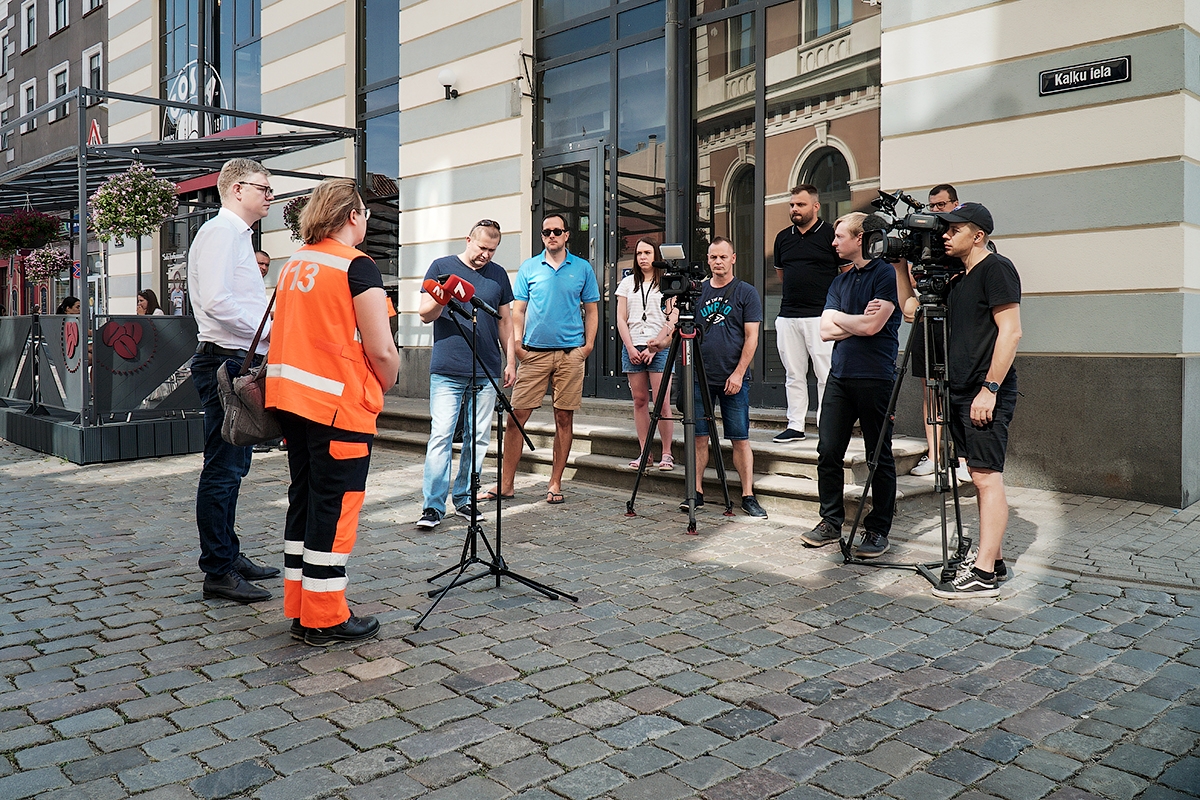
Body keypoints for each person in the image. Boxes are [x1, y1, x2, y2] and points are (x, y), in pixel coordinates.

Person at [265, 178, 399, 644]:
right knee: (335, 508)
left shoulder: (295, 262)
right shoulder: (356, 267)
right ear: (351, 216)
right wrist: (390, 378)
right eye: (364, 212)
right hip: (337, 405)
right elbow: (380, 349)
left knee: (303, 502)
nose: (368, 219)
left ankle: (301, 607)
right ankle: (324, 617)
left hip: (292, 402)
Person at [188, 158, 281, 604]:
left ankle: (229, 555)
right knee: (223, 469)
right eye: (265, 188)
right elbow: (219, 303)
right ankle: (218, 570)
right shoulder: (222, 232)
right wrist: (270, 331)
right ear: (238, 188)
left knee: (233, 467)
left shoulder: (234, 235)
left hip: (233, 358)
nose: (270, 195)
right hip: (224, 360)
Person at [928, 202, 1022, 598]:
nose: (946, 235)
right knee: (979, 476)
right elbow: (912, 309)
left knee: (987, 477)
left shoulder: (996, 269)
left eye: (954, 229)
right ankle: (993, 560)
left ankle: (983, 574)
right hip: (962, 390)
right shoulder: (959, 278)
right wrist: (898, 269)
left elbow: (1012, 332)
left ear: (978, 235)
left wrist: (991, 388)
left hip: (985, 391)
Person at [803, 212, 901, 557]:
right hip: (840, 377)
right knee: (828, 451)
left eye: (839, 236)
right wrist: (854, 320)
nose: (833, 242)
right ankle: (831, 521)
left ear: (860, 238)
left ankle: (877, 529)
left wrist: (844, 320)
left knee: (878, 456)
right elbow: (825, 330)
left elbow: (874, 327)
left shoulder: (885, 273)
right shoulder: (840, 282)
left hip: (875, 376)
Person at [415, 220, 516, 529]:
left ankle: (464, 499)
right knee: (442, 435)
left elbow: (505, 322)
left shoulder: (497, 274)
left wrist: (510, 361)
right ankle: (433, 506)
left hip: (486, 369)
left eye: (492, 250)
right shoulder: (442, 266)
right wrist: (442, 296)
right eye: (482, 247)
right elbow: (424, 314)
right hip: (447, 368)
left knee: (478, 438)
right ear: (468, 239)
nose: (486, 255)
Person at [495, 213, 599, 505]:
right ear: (542, 236)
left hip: (570, 355)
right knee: (516, 419)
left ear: (567, 235)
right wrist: (516, 345)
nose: (551, 236)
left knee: (563, 418)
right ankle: (506, 485)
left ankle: (555, 482)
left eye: (557, 231)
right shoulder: (530, 267)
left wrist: (588, 347)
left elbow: (592, 310)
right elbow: (518, 310)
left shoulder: (582, 268)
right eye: (546, 232)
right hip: (534, 354)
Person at [683, 236, 767, 519]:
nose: (717, 262)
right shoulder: (697, 293)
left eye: (723, 257)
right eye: (713, 257)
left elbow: (751, 337)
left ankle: (747, 495)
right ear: (708, 260)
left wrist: (739, 374)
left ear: (733, 258)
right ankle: (696, 493)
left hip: (734, 377)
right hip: (699, 377)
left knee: (740, 438)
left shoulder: (746, 292)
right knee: (698, 438)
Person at [906, 184, 970, 484]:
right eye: (931, 206)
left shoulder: (963, 239)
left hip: (956, 321)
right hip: (927, 319)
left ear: (955, 205)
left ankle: (963, 459)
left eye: (941, 205)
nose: (935, 211)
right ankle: (933, 456)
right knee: (930, 389)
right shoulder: (922, 241)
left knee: (956, 390)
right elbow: (911, 283)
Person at [772, 185, 841, 443]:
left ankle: (827, 426)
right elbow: (782, 274)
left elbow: (844, 272)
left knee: (825, 373)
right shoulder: (783, 238)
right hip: (788, 315)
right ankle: (795, 425)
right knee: (793, 373)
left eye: (800, 205)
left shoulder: (831, 235)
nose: (794, 209)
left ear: (815, 206)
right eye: (792, 205)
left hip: (821, 315)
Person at [616, 238, 675, 471]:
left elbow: (672, 319)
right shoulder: (627, 283)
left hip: (658, 348)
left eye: (647, 252)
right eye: (639, 253)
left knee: (662, 403)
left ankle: (667, 454)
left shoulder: (667, 283)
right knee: (639, 401)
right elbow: (621, 318)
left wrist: (656, 346)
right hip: (633, 347)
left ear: (656, 255)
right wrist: (631, 347)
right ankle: (645, 451)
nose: (643, 257)